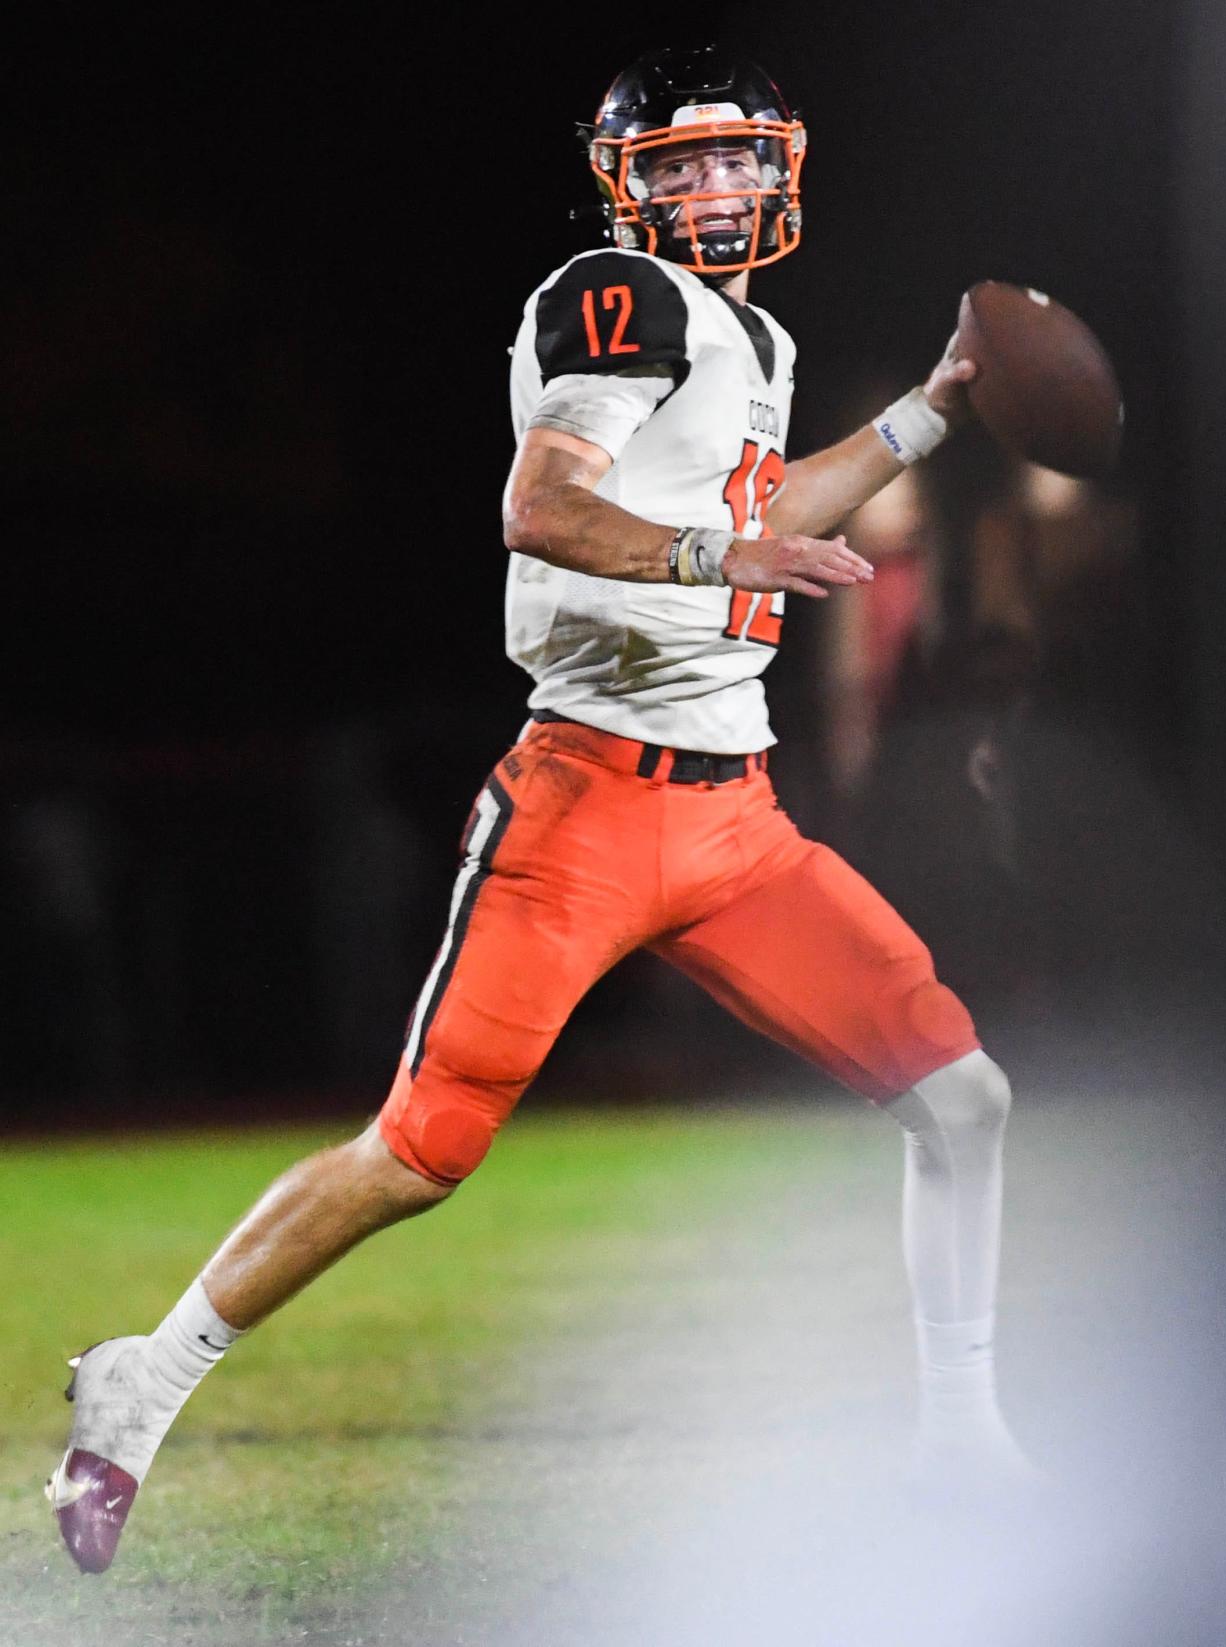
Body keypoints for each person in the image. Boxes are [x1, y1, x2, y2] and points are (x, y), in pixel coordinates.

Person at [48, 44, 1037, 1575]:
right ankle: (144, 1377)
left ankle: (960, 1440)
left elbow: (757, 518)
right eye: (682, 165)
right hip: (584, 801)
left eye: (735, 160)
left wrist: (927, 415)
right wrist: (721, 566)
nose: (715, 190)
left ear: (781, 167)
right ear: (622, 185)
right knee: (420, 1151)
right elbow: (546, 504)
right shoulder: (614, 292)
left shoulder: (744, 336)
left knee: (959, 1098)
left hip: (734, 819)